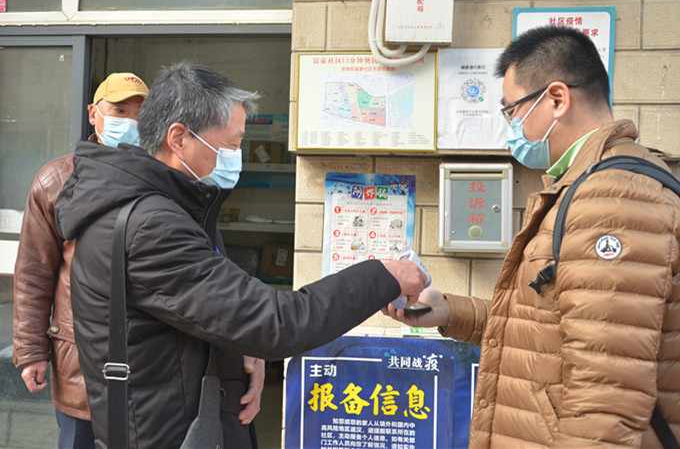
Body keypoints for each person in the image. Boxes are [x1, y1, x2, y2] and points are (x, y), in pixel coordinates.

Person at [53, 61, 427, 448]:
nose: (237, 156)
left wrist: (245, 352)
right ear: (178, 138)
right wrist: (384, 275)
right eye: (231, 144)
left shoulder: (174, 208)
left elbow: (211, 314)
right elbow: (278, 323)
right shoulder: (153, 226)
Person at [385, 26, 680, 448]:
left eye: (513, 110)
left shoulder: (612, 202)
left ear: (557, 99)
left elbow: (605, 402)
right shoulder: (587, 187)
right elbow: (549, 331)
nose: (512, 125)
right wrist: (451, 311)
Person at [12, 72, 149, 448]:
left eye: (140, 114)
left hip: (148, 362)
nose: (130, 122)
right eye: (119, 110)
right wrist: (31, 351)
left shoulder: (162, 180)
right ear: (93, 113)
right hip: (78, 361)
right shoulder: (56, 180)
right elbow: (34, 273)